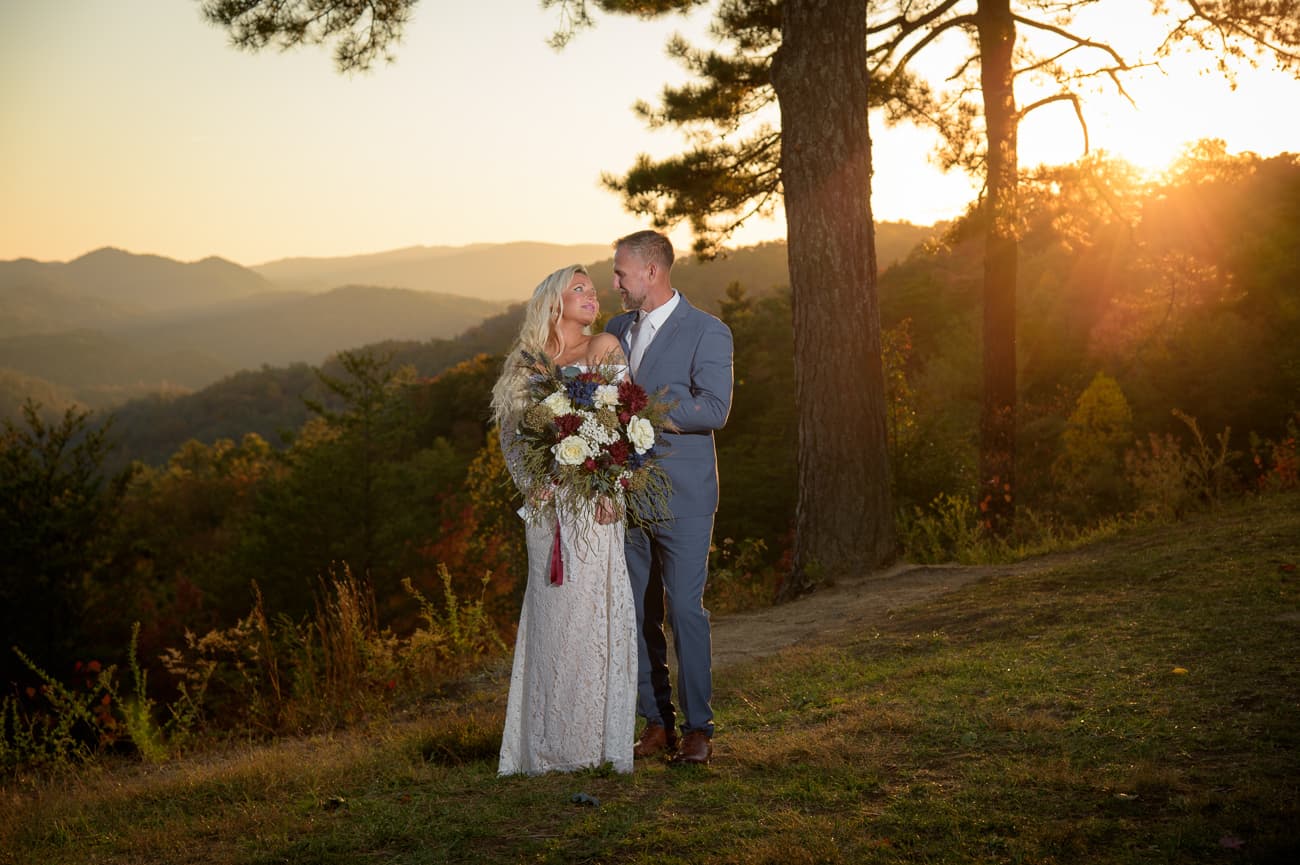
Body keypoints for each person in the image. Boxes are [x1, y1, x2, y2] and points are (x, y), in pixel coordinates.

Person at [491, 263, 637, 775]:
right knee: (551, 616)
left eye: (592, 289)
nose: (591, 295)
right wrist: (533, 485)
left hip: (593, 506)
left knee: (591, 615)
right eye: (578, 289)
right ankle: (545, 747)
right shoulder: (526, 364)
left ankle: (592, 746)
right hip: (545, 512)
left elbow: (622, 422)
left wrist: (609, 487)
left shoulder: (604, 349)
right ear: (553, 302)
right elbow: (511, 437)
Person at [604, 230, 734, 765]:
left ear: (651, 272)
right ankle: (656, 723)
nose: (615, 283)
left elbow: (715, 409)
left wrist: (647, 416)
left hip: (684, 494)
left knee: (684, 610)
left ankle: (698, 728)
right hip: (625, 495)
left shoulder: (708, 331)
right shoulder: (614, 331)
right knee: (634, 612)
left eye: (621, 273)